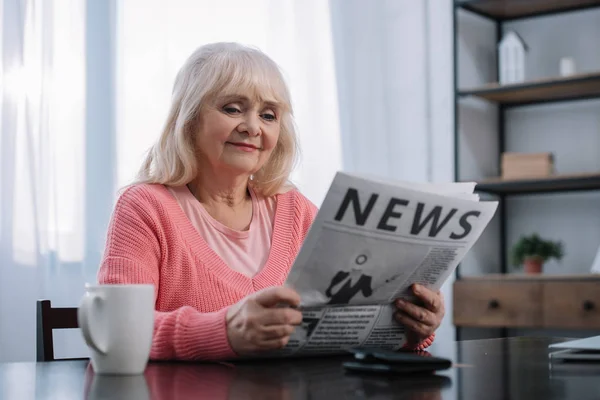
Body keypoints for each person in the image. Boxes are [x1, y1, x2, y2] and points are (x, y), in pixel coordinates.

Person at [97, 42, 444, 361]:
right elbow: (116, 331)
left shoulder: (295, 210)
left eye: (268, 115)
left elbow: (344, 328)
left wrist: (410, 328)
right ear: (189, 120)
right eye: (233, 108)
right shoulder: (144, 207)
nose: (253, 127)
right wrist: (226, 332)